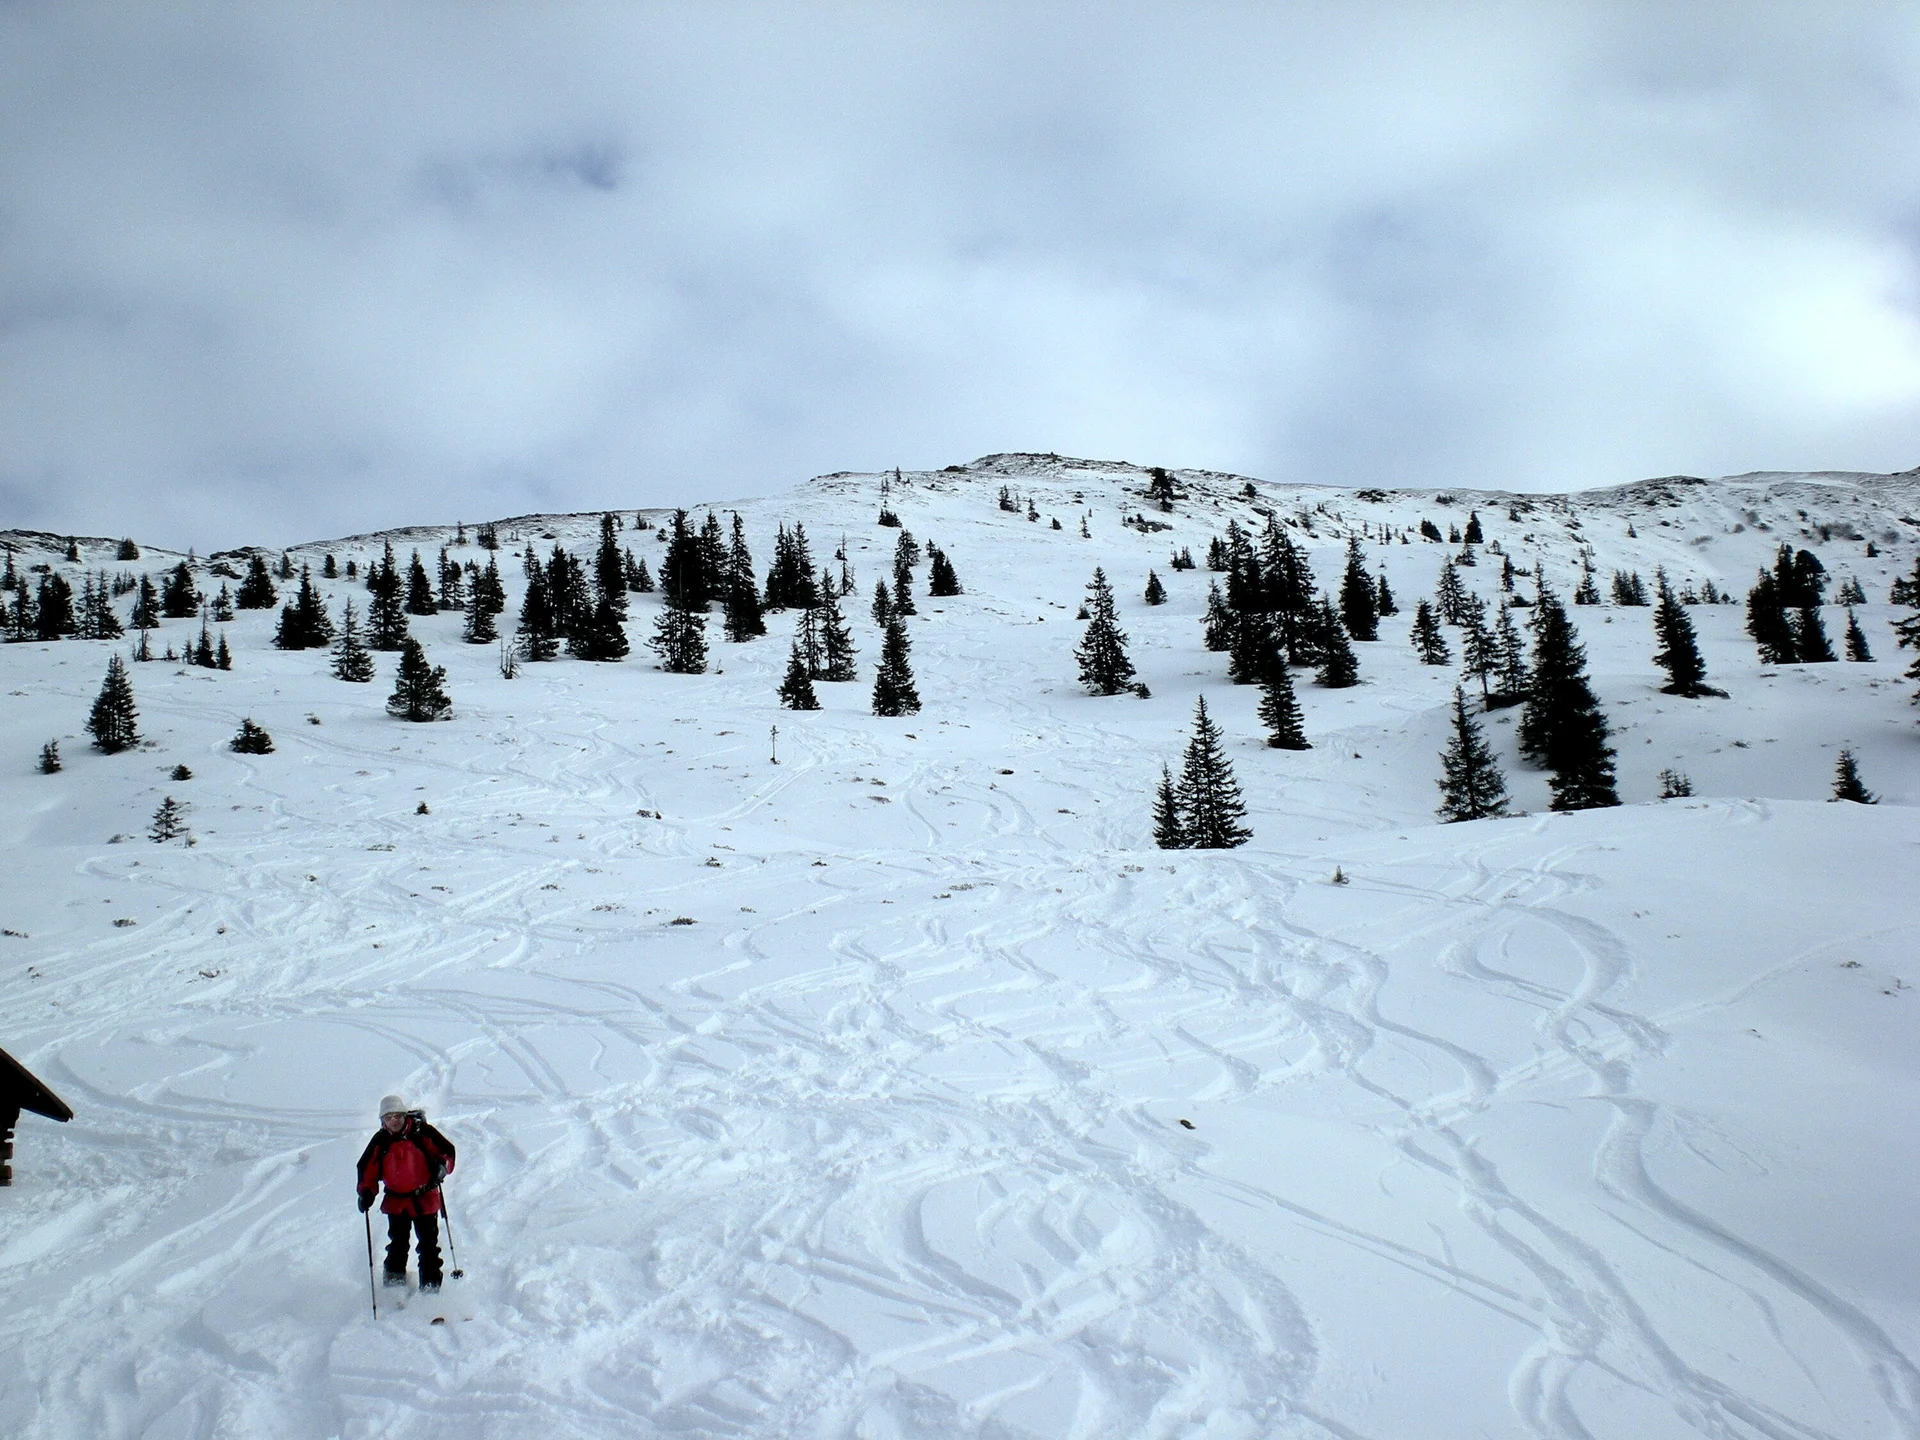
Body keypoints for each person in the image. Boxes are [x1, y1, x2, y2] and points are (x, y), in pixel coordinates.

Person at [355, 1094, 456, 1290]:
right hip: (396, 1202)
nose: (394, 1121)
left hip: (425, 1199)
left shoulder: (423, 1132)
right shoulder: (381, 1141)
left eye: (398, 1116)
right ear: (383, 1121)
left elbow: (447, 1152)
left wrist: (442, 1167)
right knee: (398, 1245)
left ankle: (431, 1289)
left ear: (404, 1115)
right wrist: (366, 1192)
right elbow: (367, 1168)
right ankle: (394, 1288)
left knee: (428, 1246)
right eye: (389, 1117)